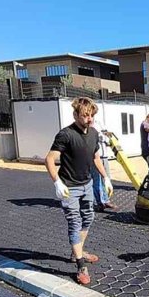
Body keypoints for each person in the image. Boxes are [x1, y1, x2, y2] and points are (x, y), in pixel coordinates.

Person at [46, 97, 113, 285]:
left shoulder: (93, 133)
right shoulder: (65, 134)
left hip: (87, 184)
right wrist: (57, 182)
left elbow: (95, 157)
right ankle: (80, 264)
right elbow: (49, 159)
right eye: (85, 115)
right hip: (69, 187)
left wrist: (105, 177)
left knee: (88, 218)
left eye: (91, 115)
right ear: (75, 114)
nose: (89, 119)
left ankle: (78, 251)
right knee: (75, 222)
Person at [91, 121, 117, 211]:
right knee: (97, 180)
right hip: (95, 157)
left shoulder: (99, 123)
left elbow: (106, 139)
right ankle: (99, 202)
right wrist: (101, 135)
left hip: (104, 156)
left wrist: (107, 136)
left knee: (106, 179)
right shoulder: (87, 126)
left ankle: (106, 200)